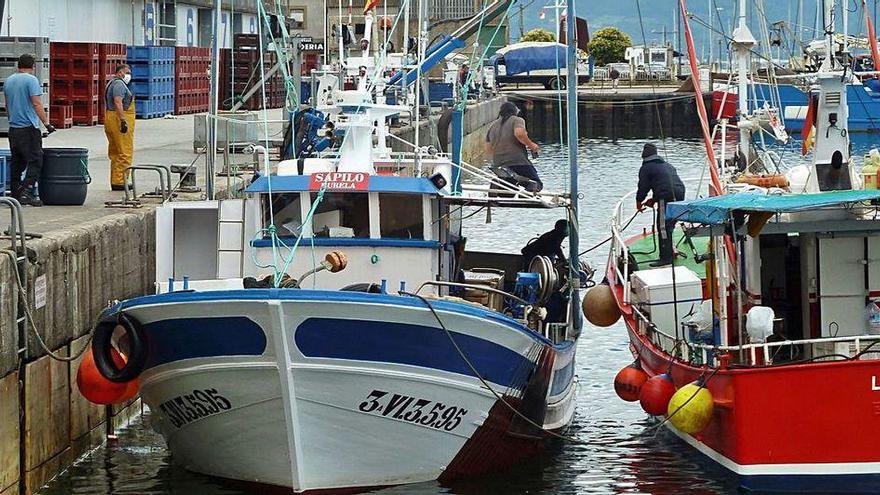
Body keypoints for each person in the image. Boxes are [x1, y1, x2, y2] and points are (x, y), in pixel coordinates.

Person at [4, 53, 55, 206]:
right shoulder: (31, 80)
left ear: (18, 65)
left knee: (17, 162)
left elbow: (7, 106)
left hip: (13, 129)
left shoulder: (9, 80)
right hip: (28, 128)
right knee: (36, 159)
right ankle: (26, 191)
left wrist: (13, 120)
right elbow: (37, 104)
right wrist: (46, 123)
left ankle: (15, 193)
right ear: (33, 66)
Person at [636, 143, 686, 267]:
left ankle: (666, 258)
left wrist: (638, 202)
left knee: (663, 227)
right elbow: (663, 182)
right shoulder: (667, 165)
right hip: (679, 192)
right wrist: (654, 200)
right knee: (670, 222)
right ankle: (671, 249)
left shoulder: (646, 168)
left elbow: (643, 187)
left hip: (666, 195)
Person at [485, 101, 543, 192]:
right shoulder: (517, 120)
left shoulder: (492, 126)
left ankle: (499, 185)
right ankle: (528, 192)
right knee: (537, 183)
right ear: (514, 111)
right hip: (518, 162)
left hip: (499, 165)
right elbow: (519, 134)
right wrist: (532, 145)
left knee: (509, 189)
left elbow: (488, 150)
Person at [104, 64, 135, 191]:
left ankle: (116, 179)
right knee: (124, 151)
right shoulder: (119, 85)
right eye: (127, 72)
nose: (128, 75)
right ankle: (121, 181)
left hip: (111, 117)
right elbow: (118, 102)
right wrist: (123, 120)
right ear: (120, 72)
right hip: (118, 118)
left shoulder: (111, 83)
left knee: (115, 152)